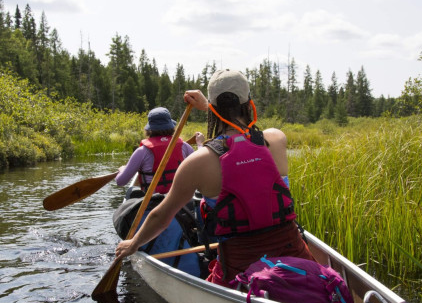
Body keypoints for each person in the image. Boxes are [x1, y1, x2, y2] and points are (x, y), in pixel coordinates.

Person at [114, 69, 315, 286]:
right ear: (250, 104)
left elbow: (161, 217)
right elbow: (246, 139)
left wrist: (133, 244)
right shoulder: (276, 139)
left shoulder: (198, 162)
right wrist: (209, 106)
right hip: (295, 256)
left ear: (213, 109)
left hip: (240, 269)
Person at [115, 106, 204, 197]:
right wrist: (200, 144)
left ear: (149, 129)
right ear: (171, 126)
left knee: (132, 193)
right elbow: (202, 166)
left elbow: (121, 181)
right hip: (182, 203)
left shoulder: (142, 151)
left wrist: (122, 169)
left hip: (153, 203)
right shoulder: (184, 146)